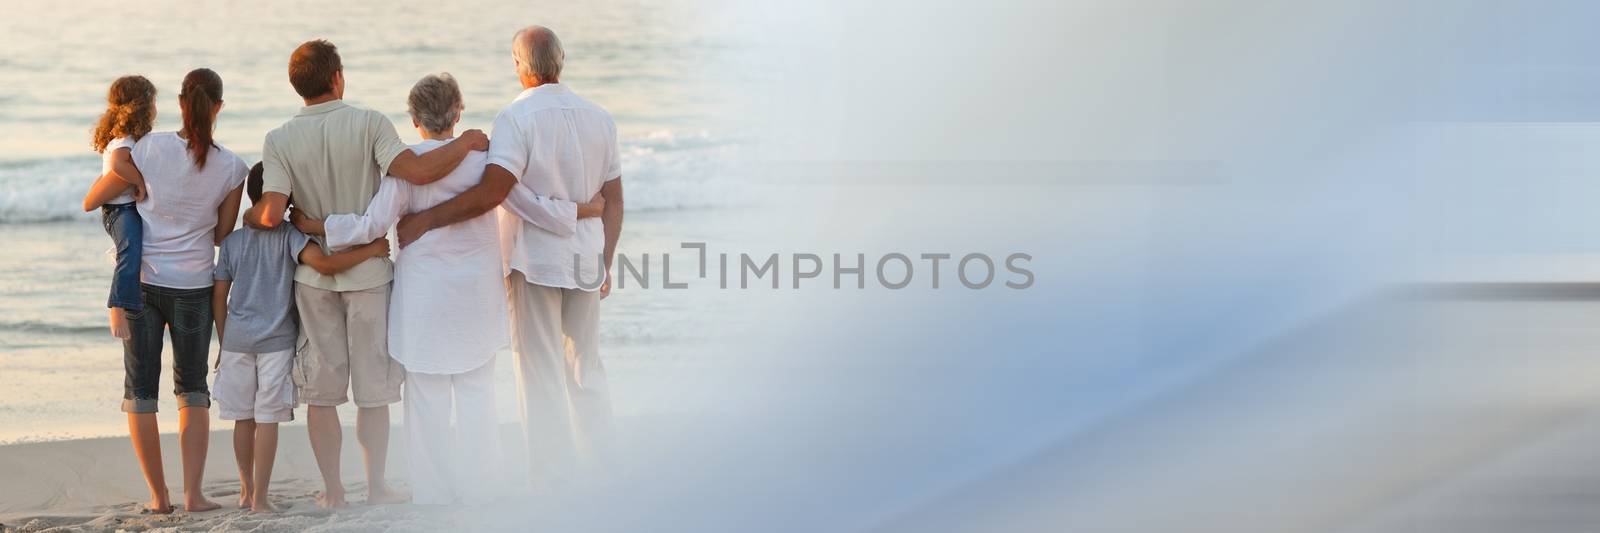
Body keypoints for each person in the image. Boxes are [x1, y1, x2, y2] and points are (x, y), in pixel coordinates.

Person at [294, 73, 603, 504]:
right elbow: (528, 207)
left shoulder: (405, 170)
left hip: (424, 297)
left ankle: (435, 494)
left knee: (427, 401)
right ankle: (483, 488)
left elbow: (369, 226)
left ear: (414, 119)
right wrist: (583, 211)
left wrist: (315, 225)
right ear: (459, 113)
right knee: (478, 395)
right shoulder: (485, 162)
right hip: (476, 294)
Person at [241, 39, 489, 508]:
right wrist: (470, 142)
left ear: (298, 86)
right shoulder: (370, 121)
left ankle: (333, 492)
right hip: (371, 276)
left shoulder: (277, 139)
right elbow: (414, 171)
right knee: (373, 391)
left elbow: (272, 212)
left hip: (314, 281)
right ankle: (376, 487)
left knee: (322, 391)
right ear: (338, 78)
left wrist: (253, 219)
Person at [396, 26, 625, 489]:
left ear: (521, 67)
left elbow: (495, 193)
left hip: (535, 260)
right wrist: (605, 258)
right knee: (586, 367)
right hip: (584, 258)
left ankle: (552, 475)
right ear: (559, 62)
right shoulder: (601, 117)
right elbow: (614, 199)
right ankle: (604, 470)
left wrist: (426, 220)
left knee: (539, 370)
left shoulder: (516, 118)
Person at [212, 163, 391, 513]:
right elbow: (324, 265)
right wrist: (371, 250)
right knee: (266, 420)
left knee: (242, 419)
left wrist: (223, 339)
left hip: (236, 342)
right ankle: (261, 500)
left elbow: (219, 295)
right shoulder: (291, 237)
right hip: (277, 343)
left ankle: (246, 492)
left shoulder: (232, 242)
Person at [121, 68, 248, 514]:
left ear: (180, 103)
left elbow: (121, 186)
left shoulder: (148, 146)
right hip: (194, 285)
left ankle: (159, 498)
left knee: (140, 391)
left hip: (143, 282)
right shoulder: (233, 167)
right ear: (218, 107)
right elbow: (222, 234)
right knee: (192, 389)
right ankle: (194, 495)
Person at [80, 75, 157, 339]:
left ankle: (150, 303)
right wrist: (141, 183)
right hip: (119, 210)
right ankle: (117, 305)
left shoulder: (130, 138)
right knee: (131, 251)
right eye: (153, 101)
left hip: (125, 208)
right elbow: (117, 166)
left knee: (142, 253)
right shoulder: (124, 140)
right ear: (141, 106)